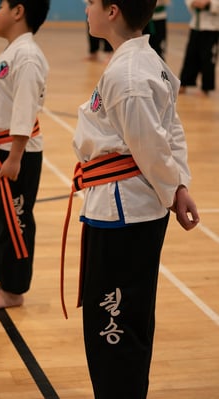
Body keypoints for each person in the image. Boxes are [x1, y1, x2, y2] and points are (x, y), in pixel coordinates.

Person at [61, 0, 200, 397]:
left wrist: (175, 191)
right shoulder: (142, 61)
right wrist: (179, 187)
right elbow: (170, 131)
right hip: (126, 207)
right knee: (126, 318)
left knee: (114, 321)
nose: (85, 8)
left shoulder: (130, 76)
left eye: (91, 2)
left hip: (125, 212)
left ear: (112, 11)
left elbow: (153, 144)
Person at [0, 0, 50, 310]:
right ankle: (4, 282)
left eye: (0, 6)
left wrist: (14, 156)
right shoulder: (13, 53)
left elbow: (24, 109)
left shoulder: (27, 56)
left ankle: (14, 290)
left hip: (16, 155)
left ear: (18, 12)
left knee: (15, 222)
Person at [179, 0, 219, 96]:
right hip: (196, 25)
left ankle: (206, 87)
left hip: (212, 27)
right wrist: (193, 3)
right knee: (190, 55)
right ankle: (184, 83)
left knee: (208, 58)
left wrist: (208, 3)